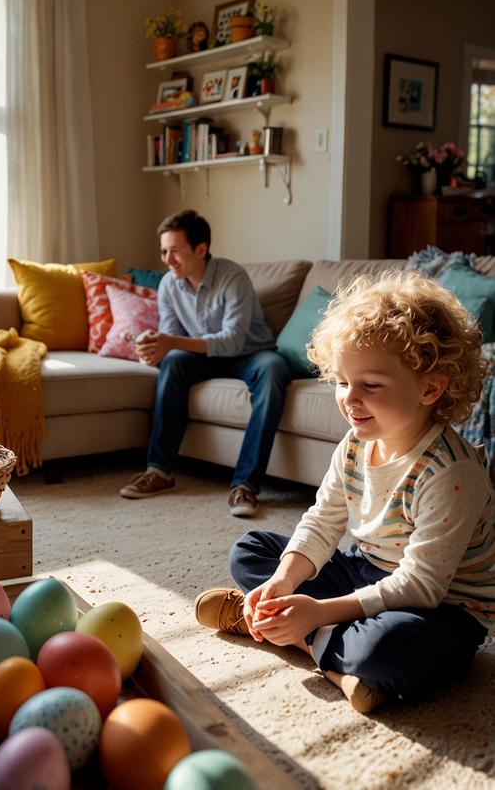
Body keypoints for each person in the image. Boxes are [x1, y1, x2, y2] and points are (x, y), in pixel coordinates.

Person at [194, 270, 494, 712]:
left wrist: (319, 613)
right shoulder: (355, 444)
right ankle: (327, 654)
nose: (349, 398)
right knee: (251, 549)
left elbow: (422, 586)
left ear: (430, 388)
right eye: (342, 381)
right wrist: (283, 581)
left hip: (441, 607)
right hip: (366, 569)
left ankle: (296, 636)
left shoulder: (453, 473)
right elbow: (323, 519)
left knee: (385, 652)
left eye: (370, 385)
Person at [119, 209, 291, 517]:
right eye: (163, 251)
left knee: (273, 369)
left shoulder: (232, 276)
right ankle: (159, 470)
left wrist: (170, 342)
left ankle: (245, 486)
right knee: (172, 363)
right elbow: (171, 335)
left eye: (175, 251)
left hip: (250, 354)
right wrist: (155, 347)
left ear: (201, 249)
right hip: (205, 355)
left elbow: (232, 341)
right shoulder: (171, 284)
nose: (167, 259)